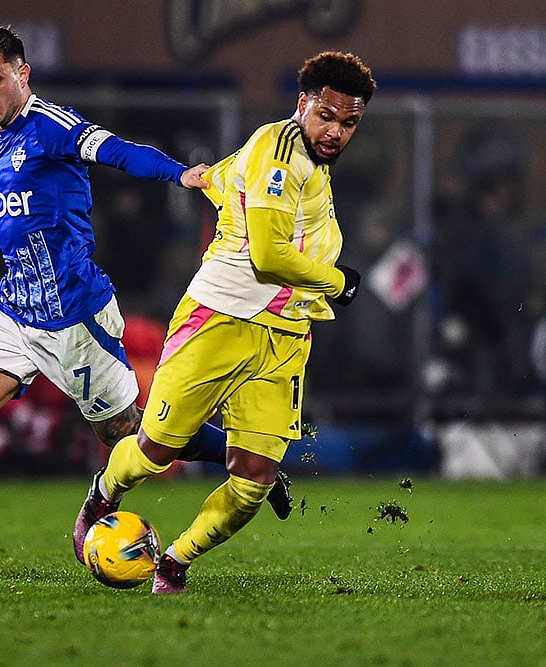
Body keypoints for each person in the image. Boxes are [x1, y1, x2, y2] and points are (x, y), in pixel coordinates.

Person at [0, 26, 291, 582]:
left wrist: (178, 173)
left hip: (74, 317)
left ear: (23, 73)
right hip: (14, 309)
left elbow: (114, 149)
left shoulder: (51, 127)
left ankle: (249, 459)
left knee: (132, 435)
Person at [74, 51, 376, 594]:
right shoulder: (278, 150)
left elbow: (228, 178)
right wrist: (339, 281)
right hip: (220, 319)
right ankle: (103, 493)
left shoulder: (293, 162)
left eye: (349, 122)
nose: (335, 131)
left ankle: (172, 564)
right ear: (303, 104)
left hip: (285, 337)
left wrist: (203, 178)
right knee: (155, 451)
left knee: (253, 479)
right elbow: (266, 254)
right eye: (326, 116)